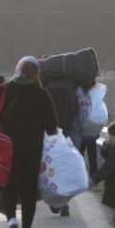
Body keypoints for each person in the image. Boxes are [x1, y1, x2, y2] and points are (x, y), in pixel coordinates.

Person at [0, 56, 58, 228]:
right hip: (32, 150)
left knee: (8, 186)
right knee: (28, 191)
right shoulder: (41, 93)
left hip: (6, 148)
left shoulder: (5, 90)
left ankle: (11, 222)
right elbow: (52, 126)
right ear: (35, 73)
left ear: (18, 70)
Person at [45, 77, 81, 217]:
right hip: (73, 130)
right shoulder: (77, 86)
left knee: (52, 166)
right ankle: (64, 205)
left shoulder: (46, 85)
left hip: (52, 131)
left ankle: (55, 200)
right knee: (68, 168)